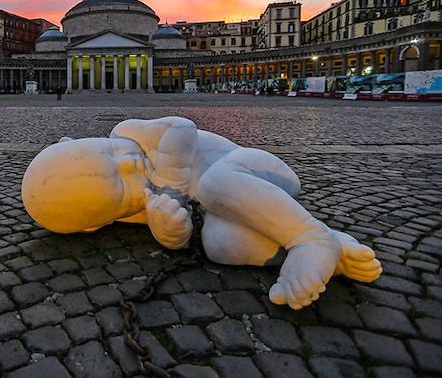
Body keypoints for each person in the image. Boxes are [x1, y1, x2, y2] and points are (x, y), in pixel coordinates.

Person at [21, 117, 381, 310]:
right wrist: (169, 231)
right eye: (121, 184)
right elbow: (182, 236)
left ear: (74, 142)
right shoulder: (132, 210)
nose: (130, 163)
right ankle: (332, 248)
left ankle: (309, 239)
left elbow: (182, 128)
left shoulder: (129, 132)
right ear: (97, 222)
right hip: (236, 212)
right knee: (219, 243)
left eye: (110, 152)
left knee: (214, 183)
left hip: (255, 171)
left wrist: (168, 183)